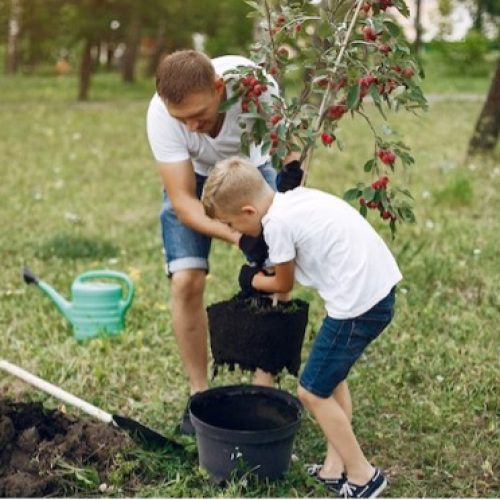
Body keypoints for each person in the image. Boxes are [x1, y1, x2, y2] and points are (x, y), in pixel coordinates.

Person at [201, 156, 402, 498]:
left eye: (233, 225)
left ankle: (364, 475)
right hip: (374, 290)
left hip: (358, 305)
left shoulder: (276, 225)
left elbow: (282, 283)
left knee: (310, 391)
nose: (236, 233)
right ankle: (334, 468)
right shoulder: (291, 199)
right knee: (331, 379)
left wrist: (251, 279)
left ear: (249, 211)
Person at [146, 50, 301, 434]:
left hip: (250, 170)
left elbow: (291, 148)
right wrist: (237, 237)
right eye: (182, 119)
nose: (193, 126)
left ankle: (262, 389)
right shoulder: (161, 116)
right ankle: (199, 397)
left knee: (274, 263)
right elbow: (183, 201)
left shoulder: (256, 88)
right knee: (186, 280)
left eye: (199, 114)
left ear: (220, 88)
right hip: (195, 180)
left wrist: (291, 184)